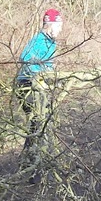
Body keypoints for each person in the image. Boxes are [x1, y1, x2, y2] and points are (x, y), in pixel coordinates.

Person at [15, 8, 63, 160]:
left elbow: (47, 64)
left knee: (38, 125)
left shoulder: (50, 42)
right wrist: (41, 72)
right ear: (50, 25)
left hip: (38, 86)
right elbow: (25, 57)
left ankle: (30, 162)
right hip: (28, 86)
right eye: (59, 26)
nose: (60, 30)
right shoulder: (39, 40)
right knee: (39, 124)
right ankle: (33, 163)